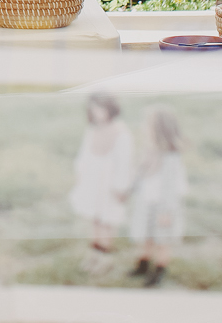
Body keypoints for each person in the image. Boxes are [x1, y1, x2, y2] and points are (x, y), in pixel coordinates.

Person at [67, 93, 133, 268]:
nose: (97, 112)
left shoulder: (121, 132)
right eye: (94, 108)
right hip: (92, 180)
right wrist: (80, 175)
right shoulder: (92, 129)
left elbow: (124, 162)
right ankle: (94, 254)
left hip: (109, 183)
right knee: (95, 218)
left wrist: (121, 187)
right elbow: (84, 156)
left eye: (101, 108)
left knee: (107, 220)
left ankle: (105, 257)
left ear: (110, 108)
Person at [128, 108, 187, 287]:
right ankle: (143, 264)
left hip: (163, 207)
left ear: (159, 130)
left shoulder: (170, 157)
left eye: (148, 125)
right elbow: (140, 176)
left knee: (162, 239)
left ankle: (160, 269)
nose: (144, 128)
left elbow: (171, 188)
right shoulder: (148, 151)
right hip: (146, 202)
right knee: (145, 236)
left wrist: (167, 211)